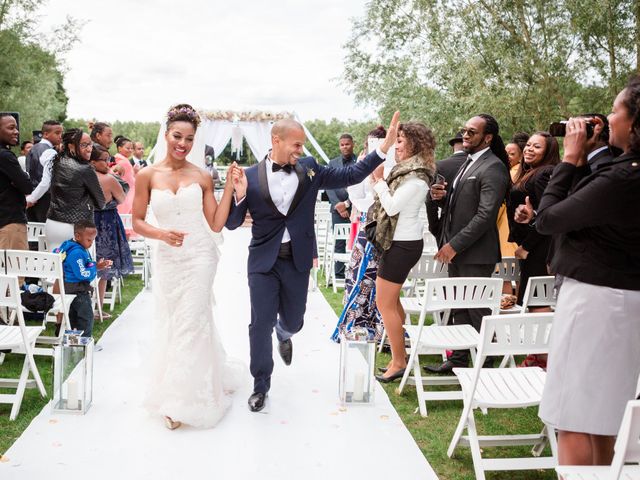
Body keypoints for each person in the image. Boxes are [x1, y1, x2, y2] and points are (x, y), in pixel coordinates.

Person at [226, 113, 400, 412]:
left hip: (297, 260)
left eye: (302, 145)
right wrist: (239, 195)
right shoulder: (250, 175)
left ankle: (285, 333)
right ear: (276, 141)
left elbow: (352, 175)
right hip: (262, 263)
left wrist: (382, 150)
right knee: (259, 324)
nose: (300, 151)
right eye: (296, 145)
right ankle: (261, 385)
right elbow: (231, 223)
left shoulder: (309, 169)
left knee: (294, 320)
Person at [534, 76, 640, 467]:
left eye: (615, 110)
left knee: (573, 415)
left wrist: (568, 158)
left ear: (634, 122)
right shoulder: (623, 171)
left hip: (594, 300)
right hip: (626, 301)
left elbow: (547, 218)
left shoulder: (622, 178)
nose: (609, 118)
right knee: (607, 412)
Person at [132, 104, 244, 430]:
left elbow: (216, 222)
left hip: (200, 256)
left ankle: (180, 401)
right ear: (166, 134)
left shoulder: (202, 176)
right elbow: (138, 221)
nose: (183, 143)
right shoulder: (147, 175)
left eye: (189, 138)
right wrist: (161, 234)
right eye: (177, 136)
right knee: (174, 319)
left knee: (191, 320)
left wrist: (229, 193)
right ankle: (184, 385)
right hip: (168, 257)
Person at [425, 114, 510, 373]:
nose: (465, 135)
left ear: (487, 137)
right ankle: (458, 359)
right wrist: (440, 197)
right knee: (459, 307)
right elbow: (460, 205)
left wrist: (454, 245)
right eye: (464, 130)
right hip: (457, 251)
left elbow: (485, 215)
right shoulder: (468, 163)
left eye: (472, 132)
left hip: (476, 252)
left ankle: (487, 364)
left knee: (477, 310)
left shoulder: (493, 167)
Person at [371, 122, 435, 383]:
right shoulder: (405, 172)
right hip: (400, 242)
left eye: (400, 141)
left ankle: (398, 362)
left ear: (414, 145)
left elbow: (393, 207)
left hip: (402, 245)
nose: (396, 146)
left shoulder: (417, 178)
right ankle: (401, 354)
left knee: (383, 303)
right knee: (393, 302)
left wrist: (378, 184)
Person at [339, 126, 388, 340]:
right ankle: (356, 322)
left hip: (385, 228)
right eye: (370, 144)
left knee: (380, 278)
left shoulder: (393, 166)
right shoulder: (364, 164)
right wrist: (362, 169)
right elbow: (355, 195)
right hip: (366, 226)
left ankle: (380, 326)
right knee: (358, 275)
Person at [507, 132, 559, 304]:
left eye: (537, 147)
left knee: (534, 303)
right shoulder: (529, 172)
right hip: (531, 246)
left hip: (538, 248)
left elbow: (549, 216)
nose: (529, 149)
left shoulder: (544, 173)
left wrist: (526, 247)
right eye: (528, 145)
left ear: (548, 152)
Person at [45, 129, 106, 253]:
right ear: (71, 146)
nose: (89, 149)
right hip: (77, 228)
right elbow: (101, 203)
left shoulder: (58, 161)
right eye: (84, 145)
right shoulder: (85, 169)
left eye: (90, 144)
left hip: (53, 224)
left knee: (56, 269)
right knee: (82, 270)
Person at [90, 145, 133, 315]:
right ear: (93, 162)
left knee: (89, 262)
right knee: (103, 266)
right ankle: (98, 308)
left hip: (86, 221)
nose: (108, 163)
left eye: (109, 159)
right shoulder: (108, 179)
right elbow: (122, 198)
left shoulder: (82, 178)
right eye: (105, 159)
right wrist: (115, 177)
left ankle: (91, 307)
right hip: (106, 223)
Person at [55, 220, 111, 338]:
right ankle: (84, 343)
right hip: (77, 290)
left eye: (93, 240)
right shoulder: (76, 253)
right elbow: (83, 273)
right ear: (78, 236)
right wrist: (94, 270)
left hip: (69, 288)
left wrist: (96, 265)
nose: (91, 243)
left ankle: (74, 343)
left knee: (73, 317)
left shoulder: (70, 246)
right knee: (86, 317)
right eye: (89, 240)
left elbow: (87, 264)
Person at [326, 134, 357, 280]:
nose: (345, 147)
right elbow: (328, 186)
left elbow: (361, 186)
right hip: (337, 210)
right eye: (342, 144)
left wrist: (347, 204)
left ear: (353, 144)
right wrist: (338, 206)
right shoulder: (333, 163)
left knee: (357, 242)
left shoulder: (360, 162)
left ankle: (354, 274)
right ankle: (338, 276)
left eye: (347, 144)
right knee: (339, 242)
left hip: (355, 208)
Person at [0, 113, 32, 250]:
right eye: (11, 128)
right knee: (16, 269)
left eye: (16, 128)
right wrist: (23, 176)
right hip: (10, 222)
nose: (16, 132)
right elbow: (27, 186)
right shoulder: (5, 156)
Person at [25, 120, 63, 222]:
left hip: (33, 197)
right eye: (57, 133)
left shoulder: (32, 149)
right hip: (45, 200)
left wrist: (30, 196)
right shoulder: (51, 152)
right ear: (45, 134)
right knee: (45, 234)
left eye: (61, 133)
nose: (60, 136)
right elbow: (47, 181)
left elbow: (28, 175)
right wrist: (32, 198)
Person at [113, 135, 136, 215]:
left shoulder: (117, 159)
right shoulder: (124, 162)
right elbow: (128, 180)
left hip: (123, 194)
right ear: (119, 148)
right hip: (127, 195)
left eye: (131, 148)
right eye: (127, 148)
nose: (130, 150)